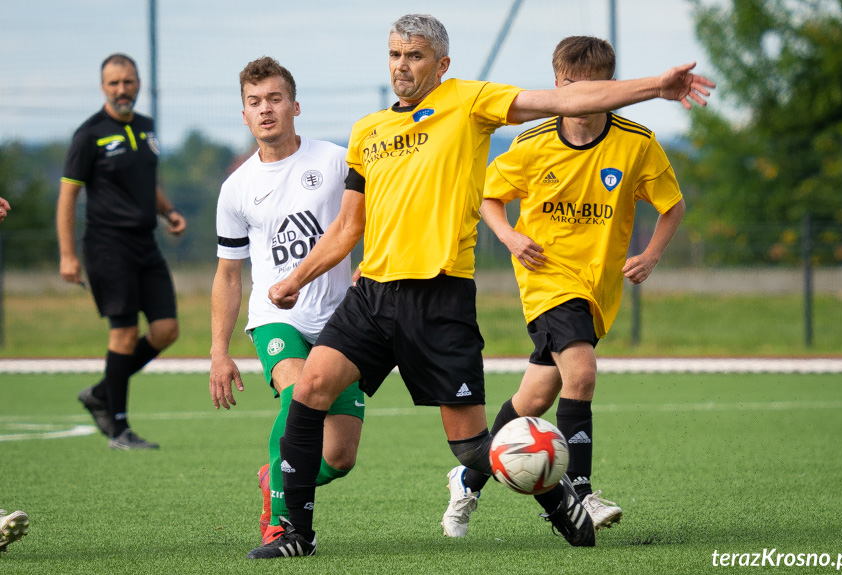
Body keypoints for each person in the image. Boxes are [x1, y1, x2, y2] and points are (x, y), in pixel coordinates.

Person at [258, 14, 712, 558]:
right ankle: (295, 536)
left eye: (416, 55)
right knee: (309, 392)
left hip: (439, 299)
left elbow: (561, 101)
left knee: (474, 447)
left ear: (441, 64)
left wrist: (655, 88)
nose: (403, 65)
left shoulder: (469, 103)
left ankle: (560, 499)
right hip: (373, 295)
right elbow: (348, 227)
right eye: (396, 54)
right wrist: (296, 278)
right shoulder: (367, 132)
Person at [451, 35, 687, 537]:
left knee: (534, 398)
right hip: (546, 281)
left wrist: (650, 255)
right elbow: (488, 197)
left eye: (594, 87)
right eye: (573, 86)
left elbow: (672, 205)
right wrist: (512, 237)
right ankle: (579, 492)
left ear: (610, 88)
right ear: (558, 85)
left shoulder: (637, 143)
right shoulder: (533, 143)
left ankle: (469, 476)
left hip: (597, 288)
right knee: (581, 373)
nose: (582, 97)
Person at [209, 57, 364, 556]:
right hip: (277, 319)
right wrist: (218, 350)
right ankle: (282, 525)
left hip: (342, 321)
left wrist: (371, 263)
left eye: (274, 99)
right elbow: (228, 274)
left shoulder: (336, 161)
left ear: (295, 106)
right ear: (244, 115)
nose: (265, 109)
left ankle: (273, 473)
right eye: (255, 102)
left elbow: (375, 219)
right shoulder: (236, 188)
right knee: (298, 390)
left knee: (339, 458)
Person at [57, 53, 187, 450]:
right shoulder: (89, 133)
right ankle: (118, 427)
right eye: (114, 83)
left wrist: (169, 212)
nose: (122, 89)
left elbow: (146, 182)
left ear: (138, 83)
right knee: (125, 333)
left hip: (145, 243)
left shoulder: (147, 128)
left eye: (128, 81)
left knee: (166, 331)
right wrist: (67, 254)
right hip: (106, 245)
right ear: (103, 87)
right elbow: (67, 198)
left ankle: (100, 392)